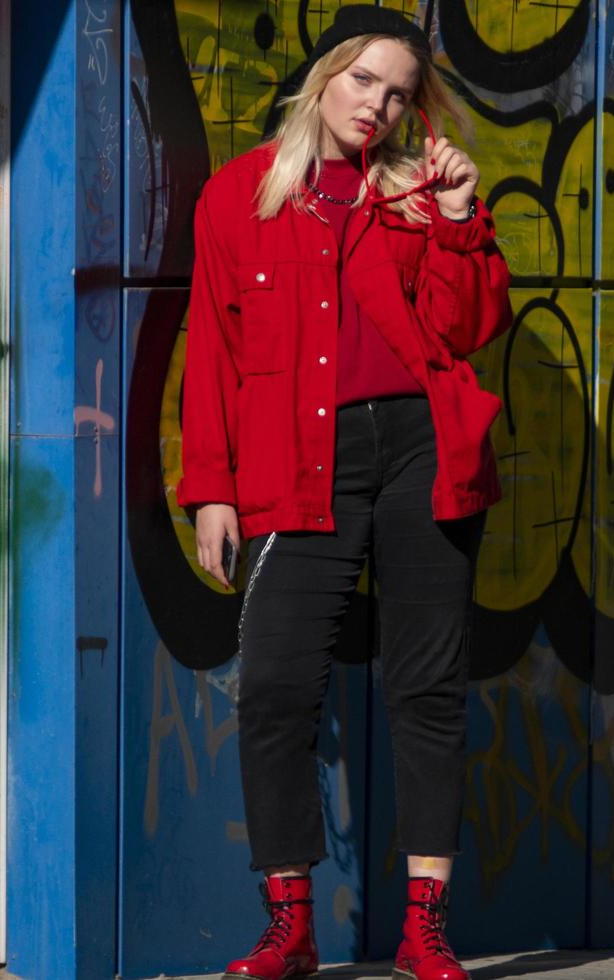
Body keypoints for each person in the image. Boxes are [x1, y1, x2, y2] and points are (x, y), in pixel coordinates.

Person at [176, 7, 512, 979]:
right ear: (325, 75)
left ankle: (425, 926)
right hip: (298, 460)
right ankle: (290, 926)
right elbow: (214, 352)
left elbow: (466, 325)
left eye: (400, 91)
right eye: (366, 80)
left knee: (427, 687)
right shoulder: (237, 198)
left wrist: (454, 221)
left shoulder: (413, 196)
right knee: (277, 685)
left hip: (422, 451)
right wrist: (213, 489)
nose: (380, 104)